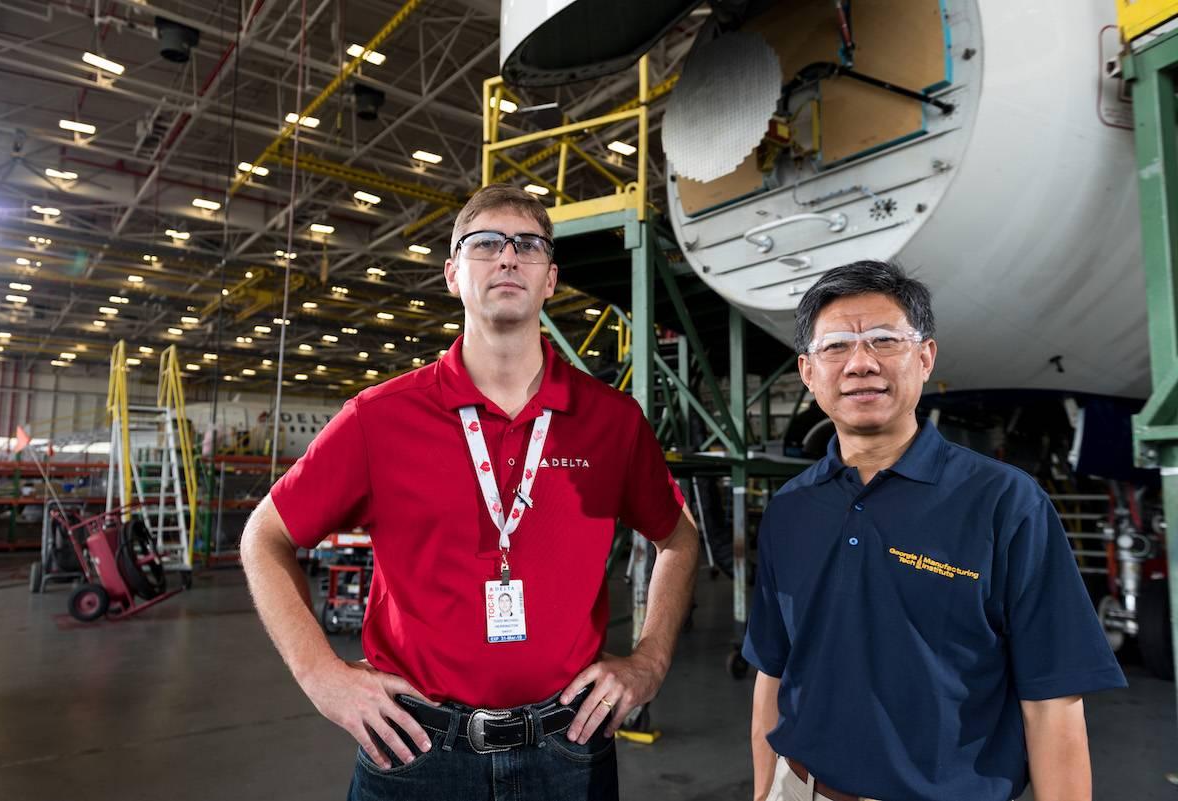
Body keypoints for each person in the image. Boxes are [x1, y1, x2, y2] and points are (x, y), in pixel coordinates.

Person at [240, 183, 699, 801]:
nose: (508, 257)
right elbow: (264, 535)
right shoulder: (379, 419)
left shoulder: (612, 421)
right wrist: (320, 675)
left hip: (568, 751)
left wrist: (650, 661)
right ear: (453, 274)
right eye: (486, 244)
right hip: (416, 750)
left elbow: (678, 537)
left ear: (551, 279)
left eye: (528, 245)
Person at [745, 261, 1127, 801]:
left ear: (924, 358)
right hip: (803, 790)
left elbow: (1053, 701)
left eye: (883, 340)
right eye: (836, 347)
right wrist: (765, 793)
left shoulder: (1006, 503)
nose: (860, 363)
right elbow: (773, 672)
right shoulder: (789, 508)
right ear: (808, 372)